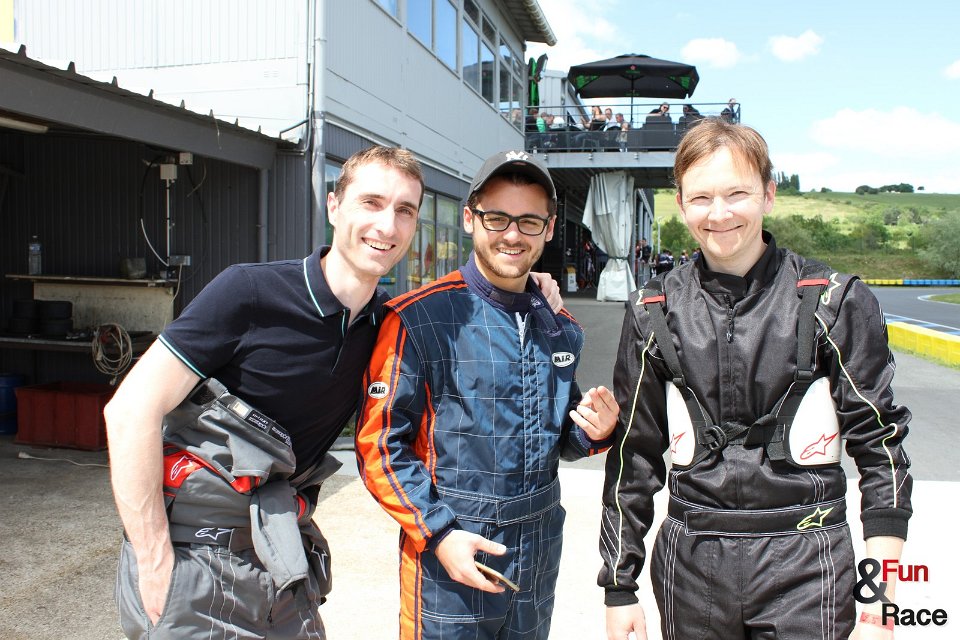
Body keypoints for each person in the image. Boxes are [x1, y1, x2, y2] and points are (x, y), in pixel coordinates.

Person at [104, 145, 562, 640]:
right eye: (371, 203)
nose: (387, 225)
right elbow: (130, 411)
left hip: (279, 544)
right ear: (333, 206)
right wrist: (153, 558)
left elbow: (470, 299)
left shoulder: (385, 322)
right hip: (196, 548)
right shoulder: (248, 293)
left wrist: (527, 287)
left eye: (404, 210)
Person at [600, 118, 912, 639]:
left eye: (737, 194)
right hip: (691, 564)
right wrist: (619, 585)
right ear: (681, 204)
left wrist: (881, 594)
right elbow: (634, 454)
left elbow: (880, 446)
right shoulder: (652, 310)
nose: (719, 214)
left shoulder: (834, 302)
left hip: (808, 561)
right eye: (701, 197)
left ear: (768, 194)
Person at [357, 150, 618, 640]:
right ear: (469, 219)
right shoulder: (419, 319)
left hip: (539, 544)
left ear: (549, 228)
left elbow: (560, 433)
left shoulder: (561, 326)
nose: (512, 234)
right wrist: (439, 533)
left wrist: (595, 431)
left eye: (529, 221)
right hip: (453, 548)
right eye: (497, 218)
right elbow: (379, 446)